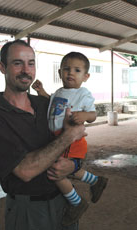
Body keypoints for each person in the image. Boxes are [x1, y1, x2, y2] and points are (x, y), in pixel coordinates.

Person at [0, 40, 87, 230]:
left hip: (64, 202)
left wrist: (74, 164)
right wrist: (68, 137)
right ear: (2, 67)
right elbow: (25, 171)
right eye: (17, 63)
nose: (26, 70)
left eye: (31, 63)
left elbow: (77, 138)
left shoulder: (46, 105)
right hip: (29, 210)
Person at [32, 52, 108, 226]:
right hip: (58, 138)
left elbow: (93, 114)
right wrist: (41, 91)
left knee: (55, 171)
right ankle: (96, 181)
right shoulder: (59, 91)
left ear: (85, 76)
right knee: (67, 170)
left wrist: (84, 115)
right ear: (59, 73)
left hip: (71, 139)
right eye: (66, 69)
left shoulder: (83, 93)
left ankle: (76, 203)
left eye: (77, 70)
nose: (70, 73)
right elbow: (52, 102)